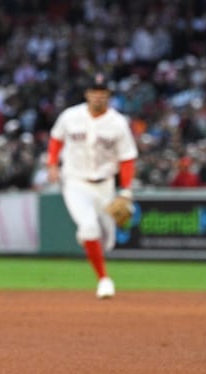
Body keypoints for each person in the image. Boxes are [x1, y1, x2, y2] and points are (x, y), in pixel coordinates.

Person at [46, 72, 138, 299]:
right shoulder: (70, 116)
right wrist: (52, 164)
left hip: (105, 185)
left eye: (102, 92)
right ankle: (104, 280)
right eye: (94, 92)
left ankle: (88, 236)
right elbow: (56, 138)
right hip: (75, 182)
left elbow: (127, 158)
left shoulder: (118, 123)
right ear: (87, 94)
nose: (98, 96)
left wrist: (125, 191)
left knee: (107, 243)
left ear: (108, 95)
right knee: (89, 227)